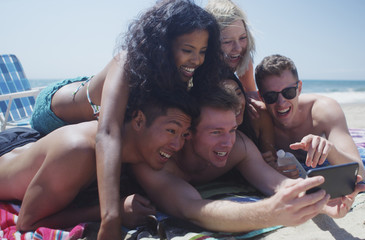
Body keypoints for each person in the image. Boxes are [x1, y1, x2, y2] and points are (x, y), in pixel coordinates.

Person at [29, 0, 223, 238]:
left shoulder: (175, 75)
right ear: (164, 45)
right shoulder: (128, 62)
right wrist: (110, 217)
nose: (196, 60)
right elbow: (108, 133)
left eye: (202, 51)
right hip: (55, 112)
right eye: (188, 50)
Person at [131, 84, 365, 232]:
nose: (228, 142)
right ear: (188, 133)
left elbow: (276, 183)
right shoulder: (157, 160)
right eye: (216, 132)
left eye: (232, 129)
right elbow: (193, 209)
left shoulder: (239, 146)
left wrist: (320, 201)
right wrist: (270, 213)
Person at [0, 87, 198, 232]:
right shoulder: (77, 153)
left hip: (31, 142)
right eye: (171, 131)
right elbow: (27, 222)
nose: (177, 145)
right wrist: (112, 210)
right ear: (138, 121)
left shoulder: (136, 147)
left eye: (183, 135)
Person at [255, 54, 365, 179]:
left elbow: (360, 172)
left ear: (299, 88)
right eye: (271, 96)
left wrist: (330, 150)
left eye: (288, 92)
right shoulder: (259, 118)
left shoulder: (324, 109)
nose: (281, 103)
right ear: (261, 97)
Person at [220, 73, 298, 178]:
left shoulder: (258, 116)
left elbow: (272, 158)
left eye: (238, 93)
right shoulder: (209, 127)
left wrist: (268, 164)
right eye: (227, 96)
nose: (237, 102)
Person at [205, 0, 257, 93]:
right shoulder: (195, 72)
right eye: (227, 42)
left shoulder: (244, 61)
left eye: (243, 38)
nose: (238, 48)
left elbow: (252, 95)